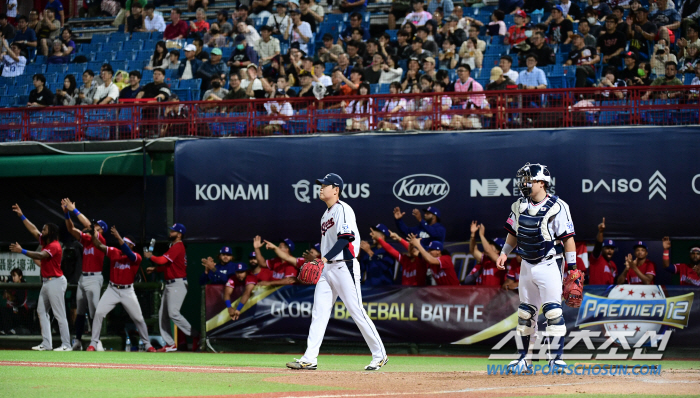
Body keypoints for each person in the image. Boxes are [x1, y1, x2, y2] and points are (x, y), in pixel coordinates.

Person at [286, 173, 388, 371]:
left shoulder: (343, 209)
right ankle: (309, 358)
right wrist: (323, 261)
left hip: (344, 265)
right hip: (327, 268)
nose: (321, 188)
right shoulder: (325, 214)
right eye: (321, 185)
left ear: (336, 190)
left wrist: (322, 259)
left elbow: (345, 239)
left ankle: (380, 355)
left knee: (356, 310)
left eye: (325, 185)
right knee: (319, 312)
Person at [496, 163, 577, 372]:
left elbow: (568, 239)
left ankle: (556, 360)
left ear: (542, 183)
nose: (524, 184)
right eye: (523, 180)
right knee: (525, 313)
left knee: (553, 312)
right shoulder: (518, 205)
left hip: (550, 263)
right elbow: (513, 233)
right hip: (526, 264)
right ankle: (524, 359)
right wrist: (504, 252)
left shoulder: (559, 206)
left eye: (528, 180)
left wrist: (573, 267)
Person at [9, 204, 71, 351]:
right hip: (47, 282)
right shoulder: (46, 242)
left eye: (45, 229)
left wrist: (22, 250)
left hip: (56, 281)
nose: (42, 231)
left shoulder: (55, 245)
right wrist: (21, 215)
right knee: (41, 311)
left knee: (59, 314)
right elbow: (33, 230)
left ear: (51, 232)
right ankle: (47, 344)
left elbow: (40, 255)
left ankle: (66, 345)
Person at [86, 226, 155, 352]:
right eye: (122, 241)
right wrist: (93, 234)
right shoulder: (114, 252)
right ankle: (93, 343)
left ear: (132, 245)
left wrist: (118, 237)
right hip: (112, 289)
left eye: (127, 243)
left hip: (127, 291)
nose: (122, 243)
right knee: (99, 313)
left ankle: (147, 344)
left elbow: (128, 253)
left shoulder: (136, 256)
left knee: (138, 318)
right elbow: (99, 246)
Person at [59, 199, 106, 351]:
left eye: (97, 226)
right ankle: (78, 340)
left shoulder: (101, 239)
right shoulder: (86, 240)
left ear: (101, 230)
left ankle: (96, 340)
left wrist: (74, 210)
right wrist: (67, 214)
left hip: (95, 278)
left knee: (94, 311)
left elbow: (88, 226)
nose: (93, 227)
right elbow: (71, 229)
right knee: (79, 310)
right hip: (83, 278)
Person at [144, 223, 193, 352]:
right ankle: (170, 344)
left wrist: (151, 257)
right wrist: (155, 269)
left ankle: (194, 334)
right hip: (170, 284)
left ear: (179, 234)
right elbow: (168, 266)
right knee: (163, 315)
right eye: (171, 230)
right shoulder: (173, 246)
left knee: (173, 313)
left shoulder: (178, 246)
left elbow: (162, 261)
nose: (170, 233)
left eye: (173, 231)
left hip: (177, 283)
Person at [465, 222, 506, 286]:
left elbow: (488, 250)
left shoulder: (501, 260)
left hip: (496, 294)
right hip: (484, 294)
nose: (489, 245)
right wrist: (473, 235)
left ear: (498, 251)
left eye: (492, 245)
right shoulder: (485, 258)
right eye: (490, 244)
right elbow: (473, 250)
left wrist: (481, 235)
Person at [588, 217, 617, 285]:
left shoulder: (613, 265)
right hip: (594, 293)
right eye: (607, 248)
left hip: (607, 294)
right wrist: (601, 232)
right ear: (602, 249)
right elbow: (598, 245)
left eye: (612, 249)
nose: (610, 250)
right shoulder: (597, 259)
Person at [0, 268, 27, 336]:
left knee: (4, 311)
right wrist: (4, 285)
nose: (13, 278)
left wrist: (7, 291)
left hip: (20, 312)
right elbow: (4, 296)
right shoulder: (12, 285)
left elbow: (14, 299)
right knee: (2, 310)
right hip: (10, 311)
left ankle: (9, 329)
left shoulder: (23, 286)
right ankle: (2, 330)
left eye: (15, 276)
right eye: (12, 276)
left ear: (20, 276)